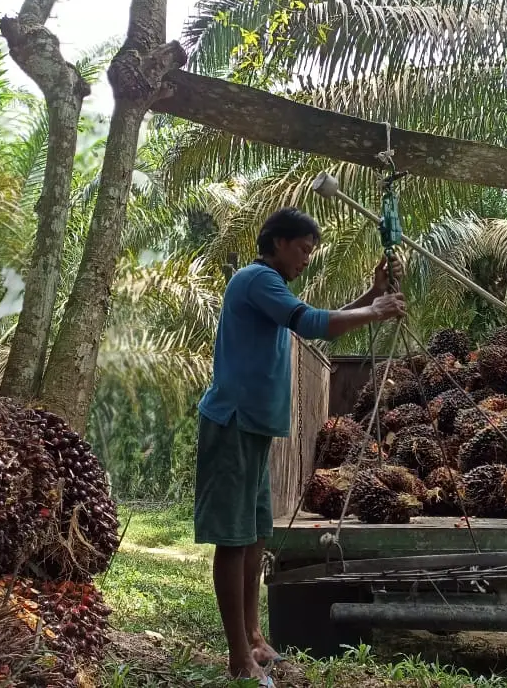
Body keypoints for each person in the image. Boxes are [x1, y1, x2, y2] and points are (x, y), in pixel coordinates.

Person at [193, 207, 407, 686]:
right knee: (233, 539)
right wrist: (374, 310)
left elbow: (309, 320)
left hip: (253, 427)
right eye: (303, 248)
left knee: (255, 534)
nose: (307, 258)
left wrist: (372, 296)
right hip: (231, 422)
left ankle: (253, 636)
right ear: (277, 243)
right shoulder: (256, 278)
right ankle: (237, 658)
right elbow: (310, 322)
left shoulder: (271, 290)